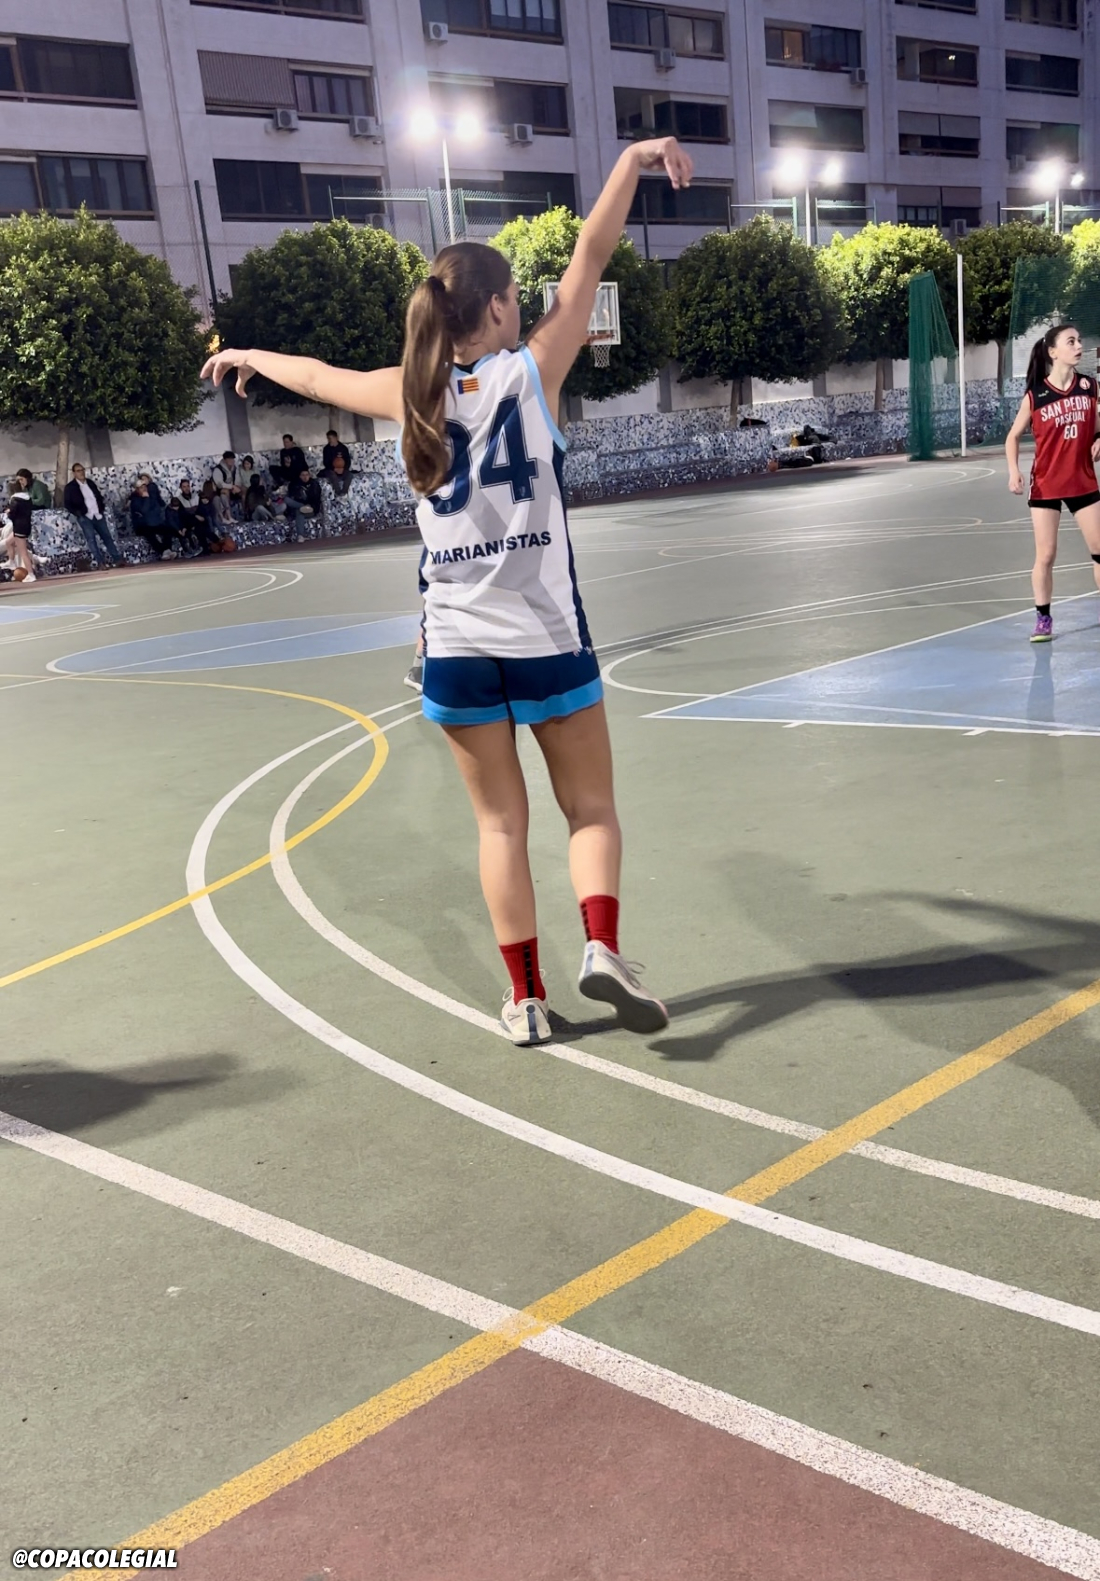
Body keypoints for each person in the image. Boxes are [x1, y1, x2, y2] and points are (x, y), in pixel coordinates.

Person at [202, 135, 691, 1046]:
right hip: (546, 635)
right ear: (500, 306)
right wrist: (630, 161)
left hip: (456, 648)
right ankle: (602, 947)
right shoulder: (532, 371)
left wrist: (252, 355)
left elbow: (317, 378)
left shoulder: (409, 393)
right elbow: (591, 254)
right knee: (589, 809)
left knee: (499, 826)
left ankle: (525, 1000)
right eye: (516, 300)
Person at [1006, 322, 1100, 642]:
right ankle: (1043, 618)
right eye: (1071, 342)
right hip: (1046, 484)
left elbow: (1097, 424)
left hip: (1082, 480)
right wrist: (1014, 471)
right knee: (1046, 556)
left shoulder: (1089, 387)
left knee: (1099, 550)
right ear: (1053, 352)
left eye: (1079, 340)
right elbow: (1012, 437)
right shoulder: (1036, 396)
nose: (1079, 346)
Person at [63, 463, 123, 568]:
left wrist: (101, 508)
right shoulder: (70, 487)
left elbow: (97, 496)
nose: (81, 472)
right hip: (85, 516)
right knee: (91, 540)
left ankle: (117, 559)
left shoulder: (90, 483)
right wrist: (78, 513)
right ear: (74, 473)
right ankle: (101, 562)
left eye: (82, 470)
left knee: (107, 537)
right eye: (78, 471)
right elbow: (68, 504)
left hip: (97, 514)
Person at [129, 474, 179, 559]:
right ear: (137, 490)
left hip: (152, 523)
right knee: (150, 534)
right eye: (141, 488)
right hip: (142, 526)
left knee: (167, 529)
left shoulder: (151, 497)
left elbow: (156, 509)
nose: (144, 489)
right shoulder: (135, 500)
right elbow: (144, 511)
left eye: (145, 487)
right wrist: (146, 498)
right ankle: (163, 551)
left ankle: (168, 550)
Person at [3, 472, 36, 582]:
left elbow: (13, 513)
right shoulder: (27, 498)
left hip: (19, 527)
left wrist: (8, 512)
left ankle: (31, 574)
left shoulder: (14, 500)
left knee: (23, 552)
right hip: (26, 525)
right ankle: (11, 561)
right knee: (8, 542)